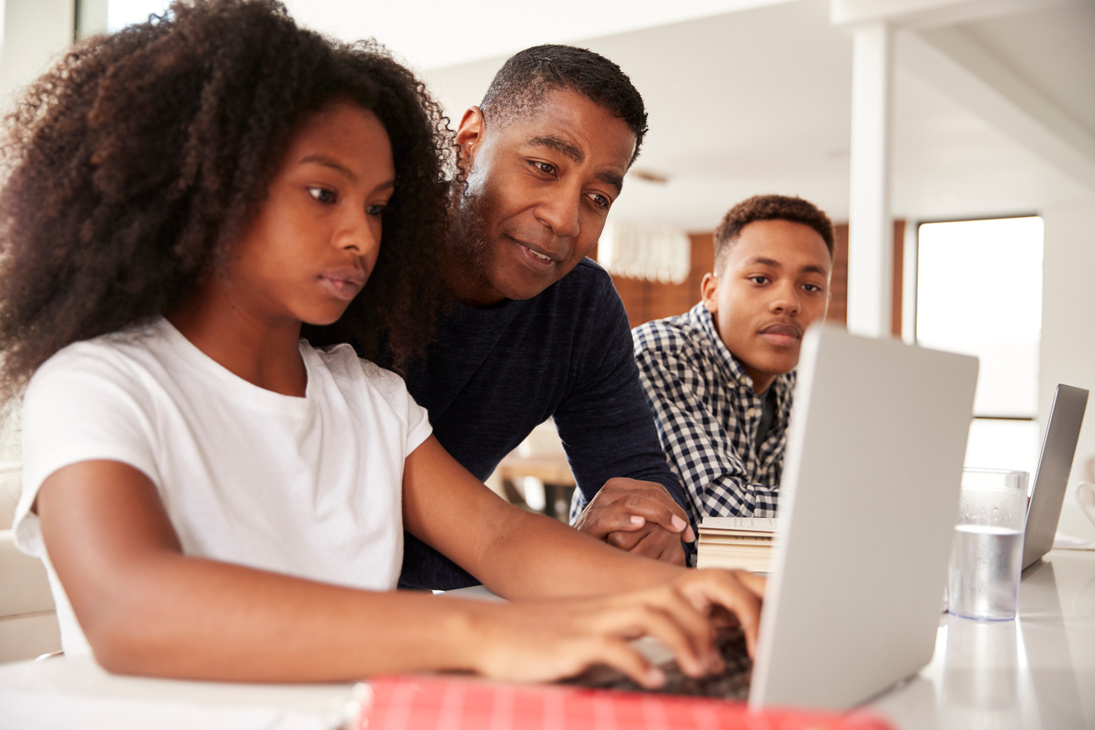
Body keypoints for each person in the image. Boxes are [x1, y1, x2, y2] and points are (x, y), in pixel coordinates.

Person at [0, 0, 763, 685]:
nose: (360, 234)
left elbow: (504, 541)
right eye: (324, 193)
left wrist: (705, 594)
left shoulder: (365, 397)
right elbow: (130, 607)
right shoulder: (98, 384)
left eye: (378, 205)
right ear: (213, 186)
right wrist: (485, 634)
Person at [374, 45, 696, 591]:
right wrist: (566, 550)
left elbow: (635, 478)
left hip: (433, 604)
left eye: (597, 198)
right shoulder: (357, 255)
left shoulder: (581, 308)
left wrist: (646, 528)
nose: (566, 219)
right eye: (544, 168)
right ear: (471, 142)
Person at [632, 195, 834, 531]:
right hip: (636, 581)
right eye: (760, 279)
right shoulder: (663, 353)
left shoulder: (798, 378)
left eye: (810, 286)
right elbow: (719, 516)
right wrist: (858, 510)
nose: (788, 302)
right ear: (712, 292)